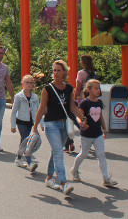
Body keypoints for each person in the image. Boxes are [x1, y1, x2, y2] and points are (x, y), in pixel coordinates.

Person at [32, 60, 83, 195]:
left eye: (58, 70)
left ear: (64, 72)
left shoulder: (68, 88)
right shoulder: (47, 89)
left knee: (57, 151)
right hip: (51, 124)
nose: (55, 73)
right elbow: (42, 108)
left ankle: (49, 177)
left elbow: (72, 107)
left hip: (64, 124)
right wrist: (35, 126)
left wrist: (82, 119)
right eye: (54, 70)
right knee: (58, 152)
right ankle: (63, 182)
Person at [70, 79, 118, 187]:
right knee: (84, 154)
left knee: (101, 154)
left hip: (97, 133)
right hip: (87, 133)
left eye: (98, 88)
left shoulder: (99, 102)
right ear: (89, 90)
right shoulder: (85, 103)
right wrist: (81, 123)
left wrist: (104, 128)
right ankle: (74, 169)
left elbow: (100, 116)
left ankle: (106, 178)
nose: (98, 90)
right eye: (95, 88)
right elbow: (79, 116)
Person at [11, 74, 42, 172]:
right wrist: (13, 126)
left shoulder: (35, 97)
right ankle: (30, 163)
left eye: (30, 83)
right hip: (21, 122)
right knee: (27, 140)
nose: (29, 85)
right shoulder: (18, 96)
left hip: (31, 122)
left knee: (24, 141)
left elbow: (38, 111)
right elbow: (13, 112)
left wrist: (42, 124)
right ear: (23, 84)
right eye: (27, 83)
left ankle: (18, 158)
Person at [70, 54, 97, 152]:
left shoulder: (81, 73)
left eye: (81, 61)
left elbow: (78, 88)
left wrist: (73, 99)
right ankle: (87, 142)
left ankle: (71, 143)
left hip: (82, 100)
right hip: (92, 99)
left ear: (83, 62)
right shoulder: (93, 72)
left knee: (77, 120)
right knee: (88, 120)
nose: (80, 62)